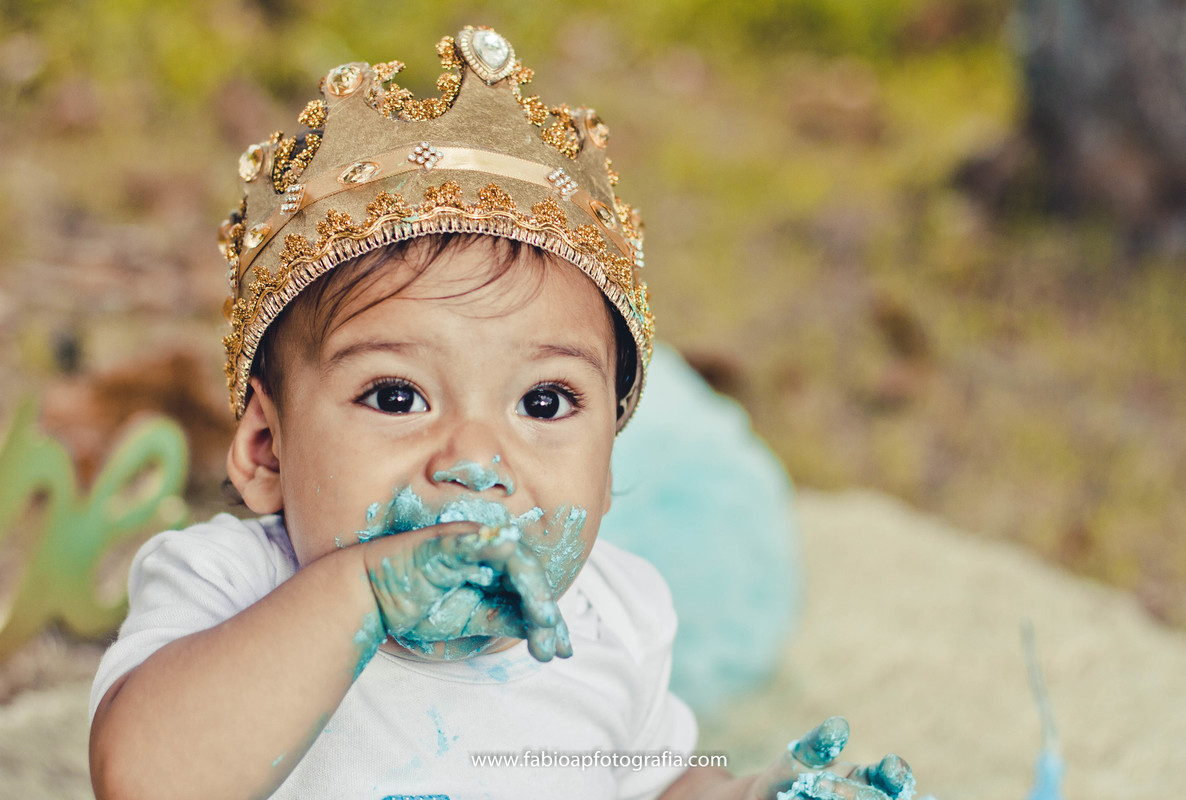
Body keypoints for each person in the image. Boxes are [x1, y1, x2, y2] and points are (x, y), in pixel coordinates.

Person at [87, 26, 915, 800]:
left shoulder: (610, 618)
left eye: (544, 402)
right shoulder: (232, 589)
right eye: (396, 395)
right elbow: (150, 779)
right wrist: (363, 595)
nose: (476, 456)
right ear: (266, 451)